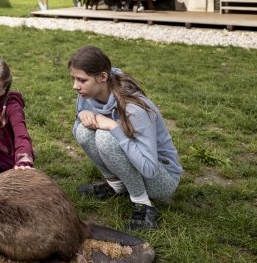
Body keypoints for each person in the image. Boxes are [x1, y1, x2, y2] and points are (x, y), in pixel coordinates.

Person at [68, 46, 182, 230]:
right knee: (83, 131)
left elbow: (150, 169)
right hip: (136, 166)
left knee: (105, 136)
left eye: (82, 80)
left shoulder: (134, 108)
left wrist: (114, 128)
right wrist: (82, 115)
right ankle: (116, 186)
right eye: (73, 79)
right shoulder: (87, 93)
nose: (75, 86)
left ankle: (143, 205)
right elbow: (78, 133)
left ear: (103, 77)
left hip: (161, 178)